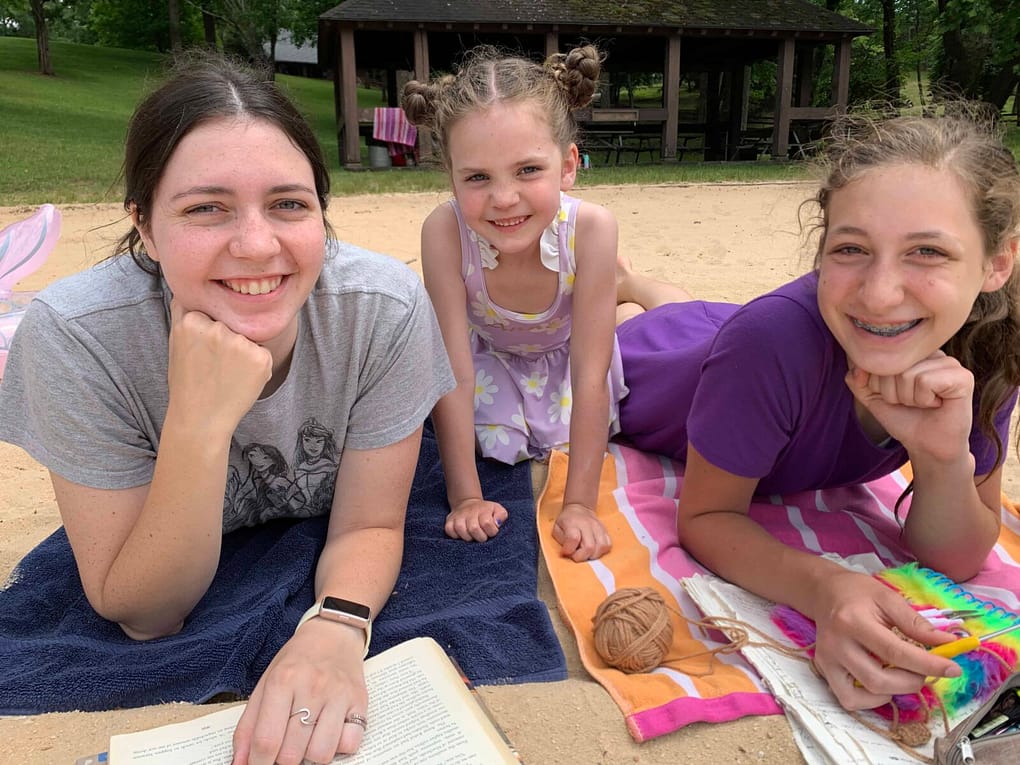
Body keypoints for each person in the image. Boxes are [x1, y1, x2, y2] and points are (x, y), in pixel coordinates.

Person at [0, 52, 454, 765]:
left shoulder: (381, 310)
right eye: (206, 207)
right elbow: (147, 613)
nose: (255, 244)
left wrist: (335, 626)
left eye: (289, 204)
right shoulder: (77, 337)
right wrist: (198, 421)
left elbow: (369, 520)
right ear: (145, 228)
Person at [614, 110, 1020, 710]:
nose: (881, 294)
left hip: (740, 335)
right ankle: (632, 291)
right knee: (649, 327)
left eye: (927, 252)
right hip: (663, 365)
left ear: (997, 264)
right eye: (851, 248)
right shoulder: (768, 342)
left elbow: (958, 557)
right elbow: (706, 517)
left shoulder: (991, 347)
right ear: (821, 251)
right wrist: (826, 586)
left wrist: (940, 461)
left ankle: (645, 285)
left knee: (696, 313)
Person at [401, 45, 627, 562]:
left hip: (568, 360)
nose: (504, 199)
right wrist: (465, 496)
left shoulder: (591, 229)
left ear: (568, 165)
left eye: (527, 170)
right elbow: (453, 367)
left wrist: (581, 506)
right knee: (487, 439)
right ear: (451, 175)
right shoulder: (444, 231)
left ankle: (630, 292)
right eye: (477, 177)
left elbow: (590, 374)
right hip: (491, 359)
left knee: (623, 344)